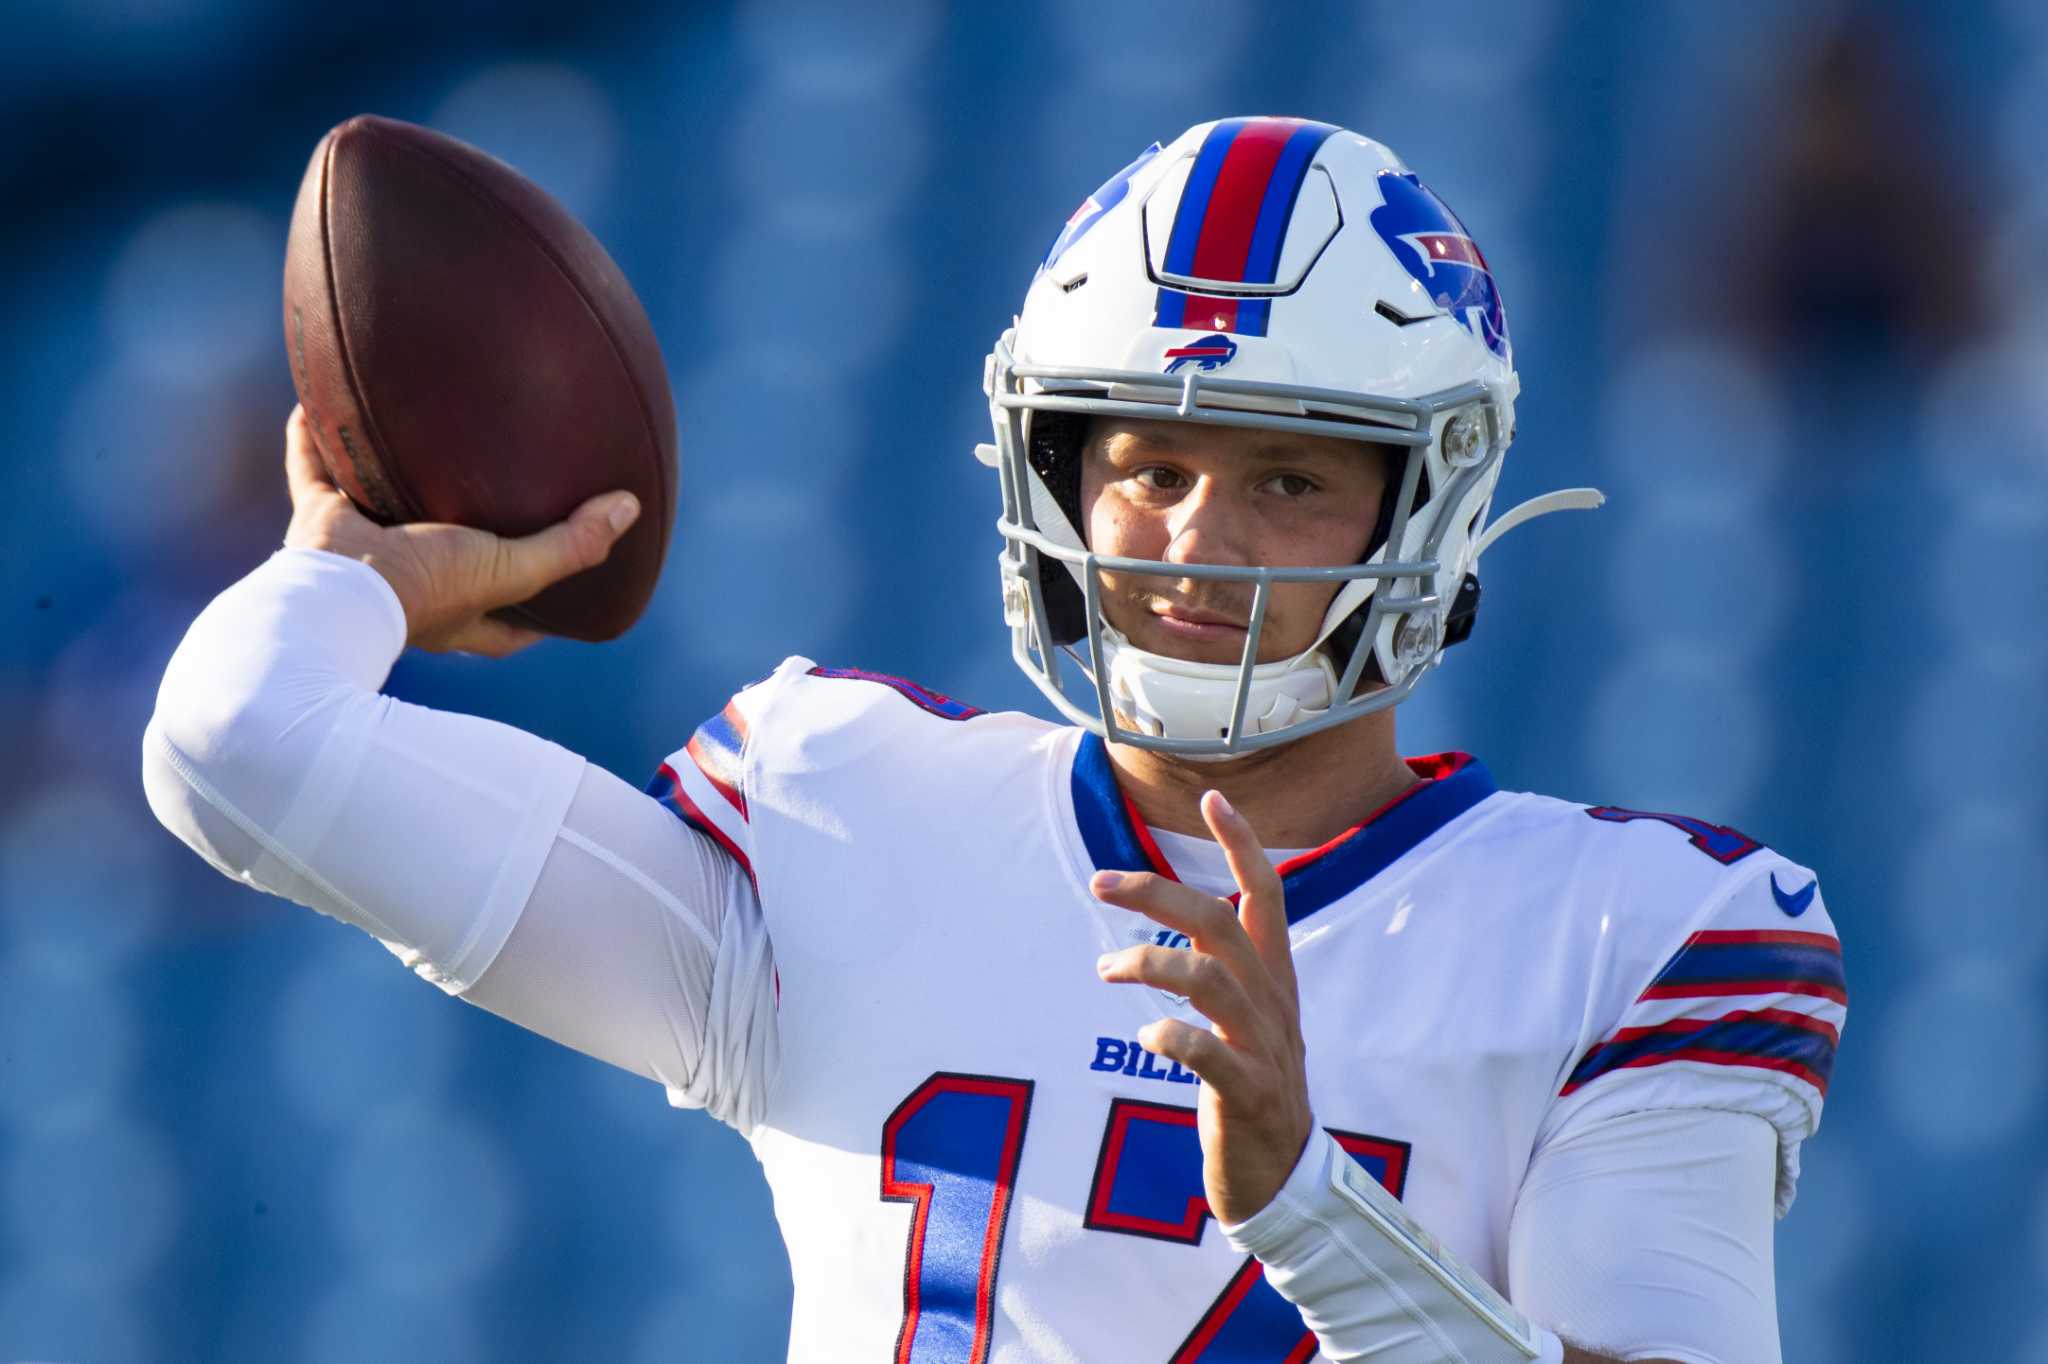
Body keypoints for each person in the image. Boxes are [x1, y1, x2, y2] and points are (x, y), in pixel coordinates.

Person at [144, 117, 1844, 1363]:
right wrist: (351, 578)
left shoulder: (1635, 938)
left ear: (1431, 504)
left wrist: (1303, 1198)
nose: (1192, 538)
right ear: (1053, 477)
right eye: (1150, 466)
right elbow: (241, 749)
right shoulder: (846, 809)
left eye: (1290, 480)